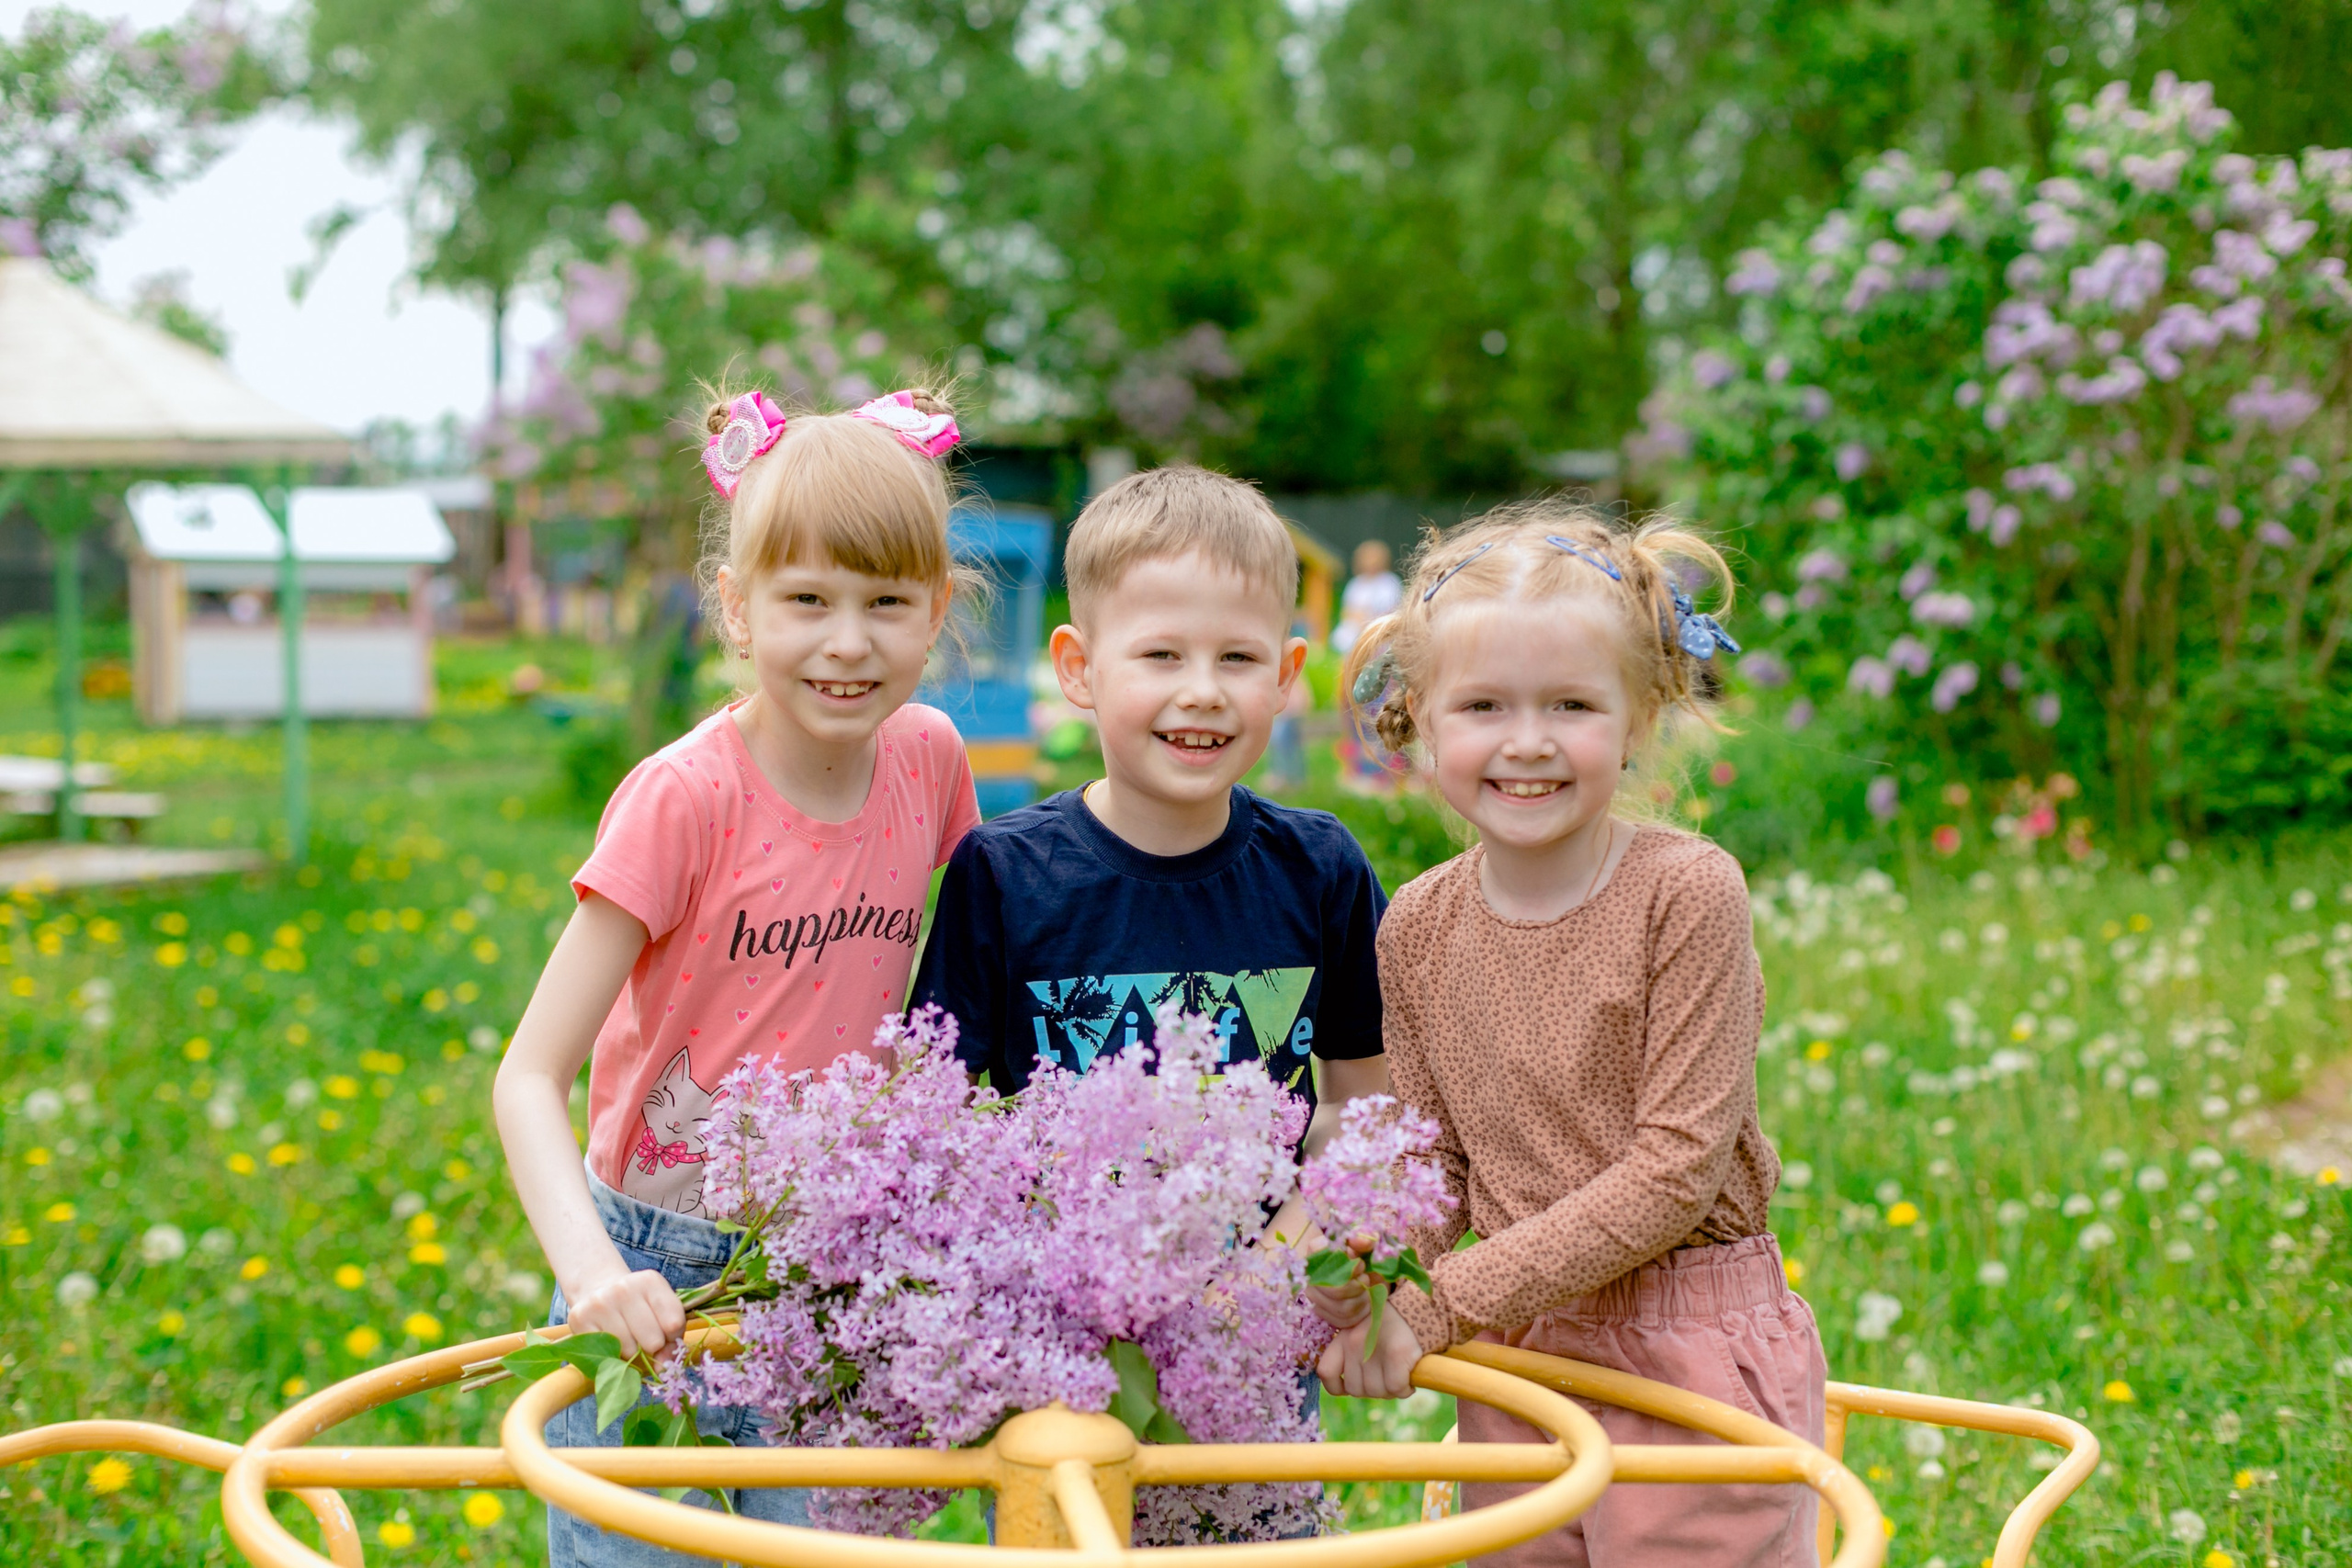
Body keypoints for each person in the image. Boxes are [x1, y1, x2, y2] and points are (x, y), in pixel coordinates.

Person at [493, 386, 980, 1565]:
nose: (847, 641)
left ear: (938, 614)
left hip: (832, 1274)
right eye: (806, 599)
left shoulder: (929, 761)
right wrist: (595, 1277)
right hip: (654, 1275)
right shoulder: (686, 796)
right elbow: (526, 1077)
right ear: (739, 608)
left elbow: (965, 1008)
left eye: (885, 603)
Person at [1315, 502, 1823, 1568]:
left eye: (1572, 705)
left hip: (1687, 1349)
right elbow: (1434, 1164)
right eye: (1485, 705)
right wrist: (1372, 1287)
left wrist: (1443, 1300)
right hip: (1517, 1354)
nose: (1528, 741)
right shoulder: (1416, 923)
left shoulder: (1684, 894)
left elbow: (1675, 1170)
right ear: (1425, 720)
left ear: (1639, 718)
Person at [912, 463, 1391, 1249]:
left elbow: (1360, 1107)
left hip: (1257, 1332)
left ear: (1285, 676)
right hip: (1059, 1336)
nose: (1202, 690)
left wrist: (1278, 1265)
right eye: (1161, 655)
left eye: (1237, 658)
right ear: (1078, 668)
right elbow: (945, 1128)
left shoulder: (1322, 869)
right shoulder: (1003, 873)